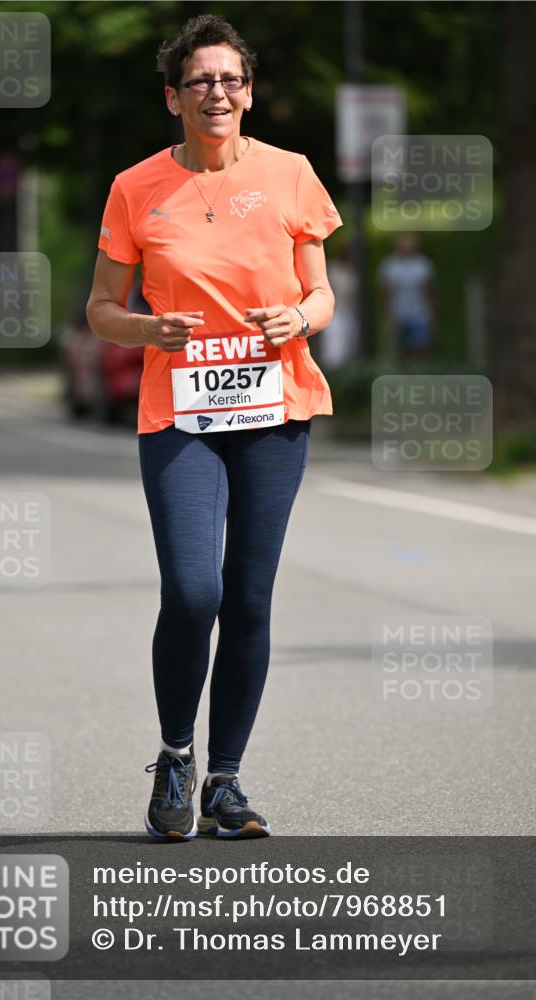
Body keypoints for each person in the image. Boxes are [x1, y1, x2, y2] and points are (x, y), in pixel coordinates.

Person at [87, 15, 342, 840]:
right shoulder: (135, 188)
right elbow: (100, 310)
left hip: (274, 406)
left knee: (249, 598)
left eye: (230, 79)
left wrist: (298, 320)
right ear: (173, 97)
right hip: (181, 413)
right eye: (199, 81)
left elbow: (321, 293)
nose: (217, 93)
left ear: (249, 91)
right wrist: (143, 330)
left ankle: (225, 784)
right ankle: (174, 753)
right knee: (193, 590)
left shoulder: (291, 173)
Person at [377, 234, 436, 358]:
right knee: (398, 349)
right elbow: (386, 293)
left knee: (420, 347)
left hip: (419, 313)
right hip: (397, 313)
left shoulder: (423, 265)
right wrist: (386, 314)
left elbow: (430, 291)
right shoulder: (390, 266)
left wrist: (431, 313)